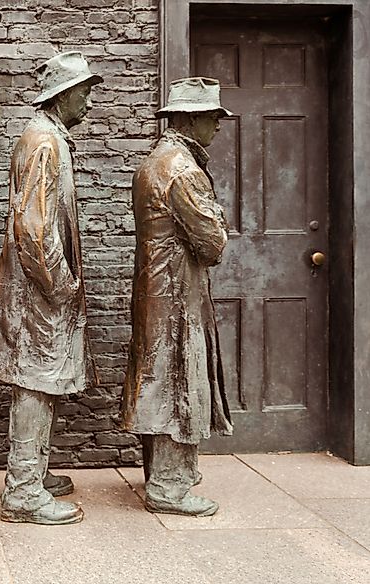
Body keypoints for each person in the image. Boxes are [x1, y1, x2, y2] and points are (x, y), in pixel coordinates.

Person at [0, 52, 102, 525]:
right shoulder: (44, 142)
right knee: (35, 381)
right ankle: (23, 491)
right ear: (63, 95)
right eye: (84, 92)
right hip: (39, 291)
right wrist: (60, 285)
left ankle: (34, 471)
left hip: (40, 288)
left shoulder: (49, 139)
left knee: (42, 382)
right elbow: (33, 227)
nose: (89, 102)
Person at [121, 77, 234, 517]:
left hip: (159, 289)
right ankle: (169, 487)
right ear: (189, 120)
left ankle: (164, 475)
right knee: (177, 384)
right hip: (176, 296)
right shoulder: (183, 170)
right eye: (211, 118)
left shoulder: (156, 161)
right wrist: (219, 221)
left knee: (159, 379)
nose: (217, 127)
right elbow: (213, 244)